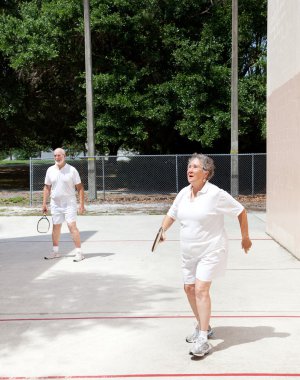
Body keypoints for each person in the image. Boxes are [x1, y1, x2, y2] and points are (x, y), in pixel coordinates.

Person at [160, 153, 252, 357]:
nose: (189, 170)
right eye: (189, 166)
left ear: (206, 173)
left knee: (201, 289)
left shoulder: (215, 194)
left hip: (211, 249)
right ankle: (206, 326)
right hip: (188, 251)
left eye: (195, 167)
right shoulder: (184, 193)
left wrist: (245, 237)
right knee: (189, 288)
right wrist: (162, 230)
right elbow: (172, 213)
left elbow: (241, 211)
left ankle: (202, 338)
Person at [42, 148, 85, 262]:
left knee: (72, 226)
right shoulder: (50, 170)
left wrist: (81, 204)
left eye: (59, 155)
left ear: (64, 156)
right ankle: (55, 252)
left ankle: (79, 253)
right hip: (55, 203)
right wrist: (44, 204)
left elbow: (80, 188)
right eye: (55, 155)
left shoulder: (72, 170)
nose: (57, 158)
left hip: (69, 203)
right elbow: (47, 187)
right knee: (56, 227)